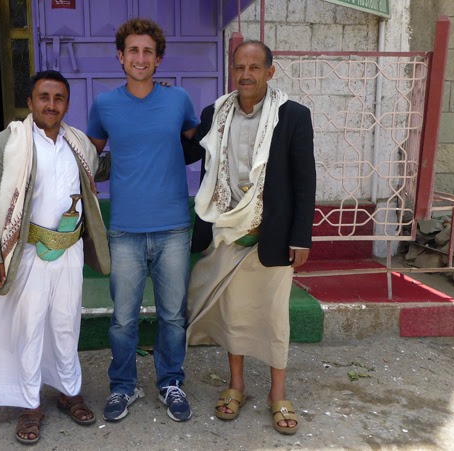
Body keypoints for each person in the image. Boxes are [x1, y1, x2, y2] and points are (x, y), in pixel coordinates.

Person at [0, 70, 110, 445]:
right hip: (26, 250)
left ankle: (68, 391)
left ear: (67, 104)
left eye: (59, 98)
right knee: (28, 327)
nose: (51, 104)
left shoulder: (78, 143)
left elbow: (101, 169)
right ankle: (30, 405)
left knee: (65, 324)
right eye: (44, 97)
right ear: (30, 103)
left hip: (69, 251)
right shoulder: (6, 143)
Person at [186, 41, 316, 435]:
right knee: (236, 314)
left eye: (254, 67)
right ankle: (236, 386)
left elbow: (304, 179)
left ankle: (278, 393)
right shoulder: (215, 113)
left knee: (274, 317)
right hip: (227, 231)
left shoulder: (292, 116)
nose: (246, 74)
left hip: (272, 234)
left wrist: (301, 238)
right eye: (239, 67)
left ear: (269, 72)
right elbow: (188, 153)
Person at [86, 18, 198, 422]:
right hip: (124, 229)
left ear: (158, 58)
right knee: (122, 318)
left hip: (172, 226)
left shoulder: (179, 100)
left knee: (172, 315)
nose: (140, 57)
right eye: (132, 50)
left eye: (148, 51)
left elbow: (197, 145)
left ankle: (171, 383)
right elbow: (89, 159)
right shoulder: (104, 105)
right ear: (120, 56)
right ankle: (123, 387)